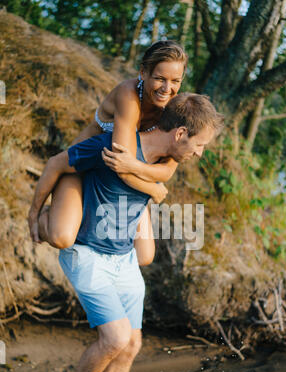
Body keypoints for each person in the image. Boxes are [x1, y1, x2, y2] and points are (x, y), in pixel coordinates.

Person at [28, 93, 223, 372]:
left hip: (123, 259)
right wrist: (35, 214)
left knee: (131, 344)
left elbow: (150, 187)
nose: (200, 152)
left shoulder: (165, 160)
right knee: (115, 337)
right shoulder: (111, 148)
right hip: (87, 254)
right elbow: (57, 163)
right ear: (180, 133)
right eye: (200, 145)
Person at [29, 40, 188, 267]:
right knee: (62, 237)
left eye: (175, 81)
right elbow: (121, 164)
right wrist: (152, 188)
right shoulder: (128, 95)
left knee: (144, 256)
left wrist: (148, 176)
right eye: (160, 78)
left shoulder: (174, 109)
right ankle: (48, 216)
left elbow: (166, 171)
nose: (167, 88)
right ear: (143, 72)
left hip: (118, 182)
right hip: (83, 167)